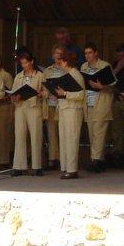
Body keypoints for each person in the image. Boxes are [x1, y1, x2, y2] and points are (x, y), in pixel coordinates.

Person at [52, 51, 86, 179]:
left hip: (73, 110)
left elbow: (80, 95)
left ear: (66, 62)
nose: (60, 64)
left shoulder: (76, 74)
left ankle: (72, 169)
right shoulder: (67, 74)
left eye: (61, 62)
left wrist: (65, 93)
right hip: (65, 109)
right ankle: (66, 166)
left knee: (71, 139)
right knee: (64, 139)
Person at [81, 43, 113, 173]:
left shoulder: (105, 66)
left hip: (101, 103)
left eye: (89, 52)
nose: (87, 55)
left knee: (99, 134)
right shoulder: (83, 67)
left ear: (96, 53)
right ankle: (99, 160)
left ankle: (96, 161)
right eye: (85, 53)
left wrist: (102, 87)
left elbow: (113, 87)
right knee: (92, 134)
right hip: (88, 104)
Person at [10, 51, 44, 176]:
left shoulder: (40, 75)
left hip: (34, 107)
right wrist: (15, 97)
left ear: (31, 62)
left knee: (35, 135)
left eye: (26, 62)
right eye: (22, 63)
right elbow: (13, 92)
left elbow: (46, 92)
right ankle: (19, 166)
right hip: (21, 107)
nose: (24, 65)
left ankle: (36, 166)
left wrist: (39, 93)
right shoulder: (18, 76)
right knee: (19, 135)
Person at [42, 47, 66, 172]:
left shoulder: (67, 69)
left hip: (62, 104)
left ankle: (64, 159)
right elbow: (44, 86)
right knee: (51, 133)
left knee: (63, 132)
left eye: (61, 53)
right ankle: (53, 158)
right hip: (50, 104)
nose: (59, 55)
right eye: (57, 53)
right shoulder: (47, 71)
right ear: (53, 55)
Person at [109, 43, 124, 165]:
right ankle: (117, 151)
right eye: (118, 56)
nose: (120, 58)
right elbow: (109, 80)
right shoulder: (115, 65)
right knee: (117, 128)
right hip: (117, 99)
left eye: (122, 56)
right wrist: (118, 67)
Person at [0, 53, 14, 168]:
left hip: (3, 107)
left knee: (3, 135)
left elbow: (10, 93)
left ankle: (3, 160)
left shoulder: (6, 75)